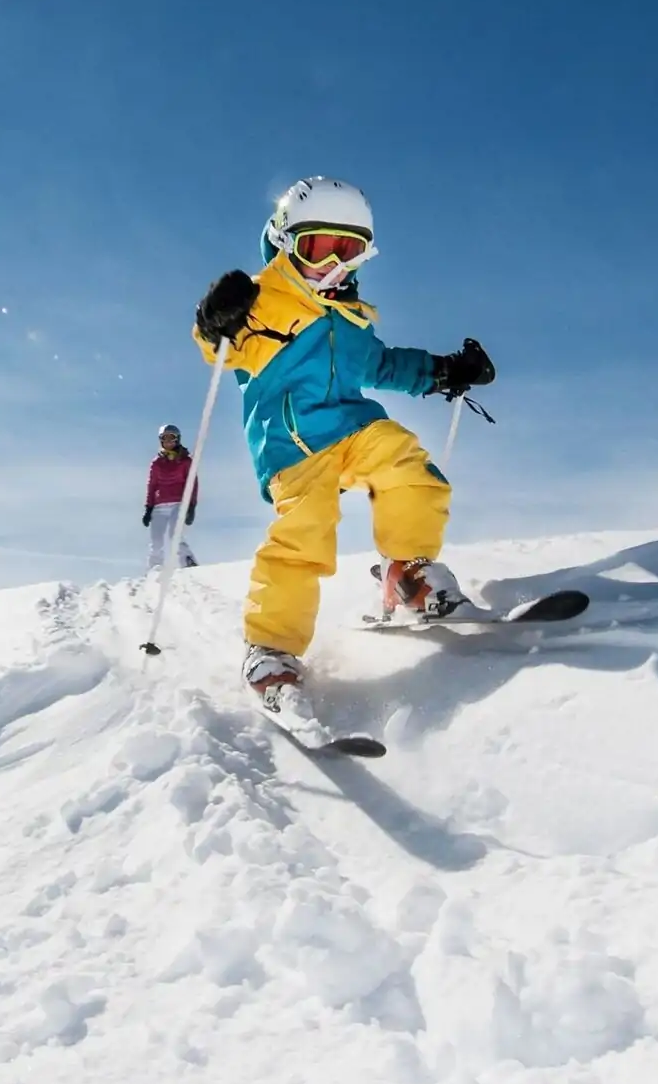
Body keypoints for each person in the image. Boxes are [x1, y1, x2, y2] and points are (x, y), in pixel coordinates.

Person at [191, 175, 495, 721]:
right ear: (286, 241)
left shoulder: (353, 319)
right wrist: (215, 318)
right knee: (305, 534)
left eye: (348, 250)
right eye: (319, 247)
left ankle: (408, 573)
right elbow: (221, 350)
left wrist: (442, 371)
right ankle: (271, 648)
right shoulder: (261, 302)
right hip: (293, 445)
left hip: (353, 430)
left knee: (409, 464)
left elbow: (382, 366)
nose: (334, 264)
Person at [143, 424, 202, 571]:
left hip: (178, 504)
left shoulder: (185, 461)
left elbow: (192, 484)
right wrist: (148, 508)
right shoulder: (156, 463)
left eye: (172, 438)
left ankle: (187, 562)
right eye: (165, 438)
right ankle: (155, 569)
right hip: (159, 506)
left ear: (177, 440)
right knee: (156, 541)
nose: (168, 442)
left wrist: (191, 507)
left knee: (175, 535)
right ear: (161, 441)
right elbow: (152, 485)